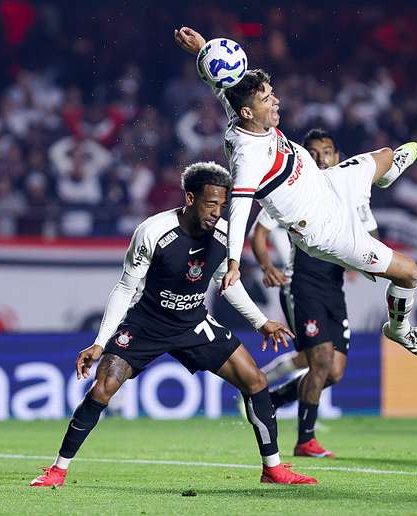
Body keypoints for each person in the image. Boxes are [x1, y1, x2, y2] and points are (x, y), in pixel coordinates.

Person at [29, 162, 317, 487]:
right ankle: (58, 470)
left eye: (223, 205)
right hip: (145, 324)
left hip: (194, 321)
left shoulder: (224, 236)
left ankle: (273, 469)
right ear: (191, 198)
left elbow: (228, 283)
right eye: (211, 204)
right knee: (103, 387)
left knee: (255, 381)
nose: (217, 212)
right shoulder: (153, 232)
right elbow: (125, 288)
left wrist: (261, 321)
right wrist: (100, 341)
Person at [174, 27, 417, 359]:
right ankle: (399, 329)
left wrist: (202, 49)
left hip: (328, 184)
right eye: (267, 99)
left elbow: (226, 90)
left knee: (387, 155)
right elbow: (239, 209)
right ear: (248, 113)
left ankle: (380, 178)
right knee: (410, 273)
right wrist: (233, 262)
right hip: (328, 231)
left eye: (272, 94)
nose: (276, 101)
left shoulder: (245, 116)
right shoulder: (248, 157)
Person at [251, 129, 379, 458]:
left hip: (333, 289)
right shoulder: (294, 188)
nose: (321, 157)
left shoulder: (351, 192)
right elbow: (259, 232)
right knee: (318, 360)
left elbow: (372, 239)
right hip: (302, 284)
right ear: (305, 157)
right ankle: (305, 440)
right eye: (313, 151)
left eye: (327, 151)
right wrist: (267, 266)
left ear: (338, 156)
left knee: (333, 372)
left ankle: (273, 399)